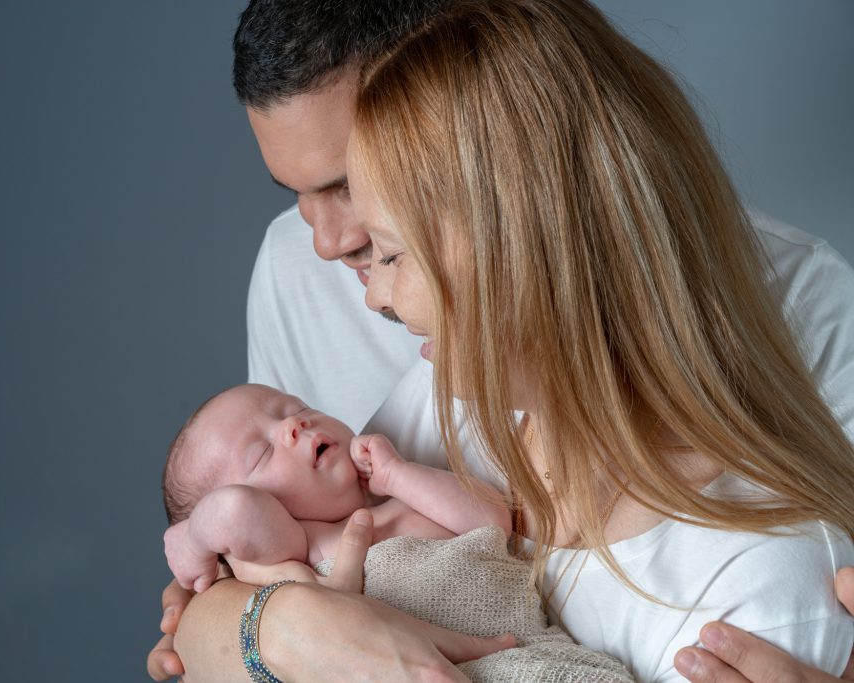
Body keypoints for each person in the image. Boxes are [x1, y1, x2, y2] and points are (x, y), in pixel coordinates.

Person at [147, 1, 854, 681]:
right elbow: (235, 581)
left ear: (506, 231)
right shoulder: (455, 387)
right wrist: (272, 627)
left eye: (387, 246)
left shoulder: (745, 570)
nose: (337, 258)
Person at [160, 383, 635, 682]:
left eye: (294, 406)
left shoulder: (403, 495)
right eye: (260, 454)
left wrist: (398, 475)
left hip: (524, 653)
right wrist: (194, 537)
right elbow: (234, 511)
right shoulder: (295, 546)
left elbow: (492, 522)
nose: (291, 425)